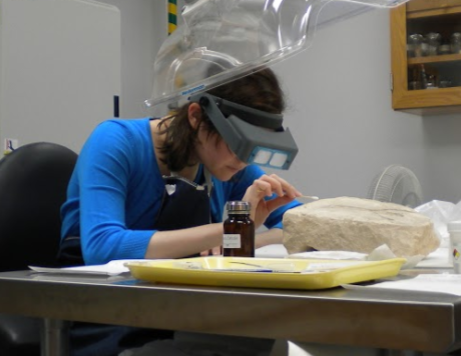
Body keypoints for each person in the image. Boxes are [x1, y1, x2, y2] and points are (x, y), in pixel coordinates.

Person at [58, 67, 301, 266]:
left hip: (176, 300)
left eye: (253, 149)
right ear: (196, 116)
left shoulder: (229, 162)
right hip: (99, 305)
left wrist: (242, 233)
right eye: (237, 144)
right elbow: (102, 248)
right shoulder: (115, 141)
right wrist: (231, 230)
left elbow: (298, 226)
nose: (244, 160)